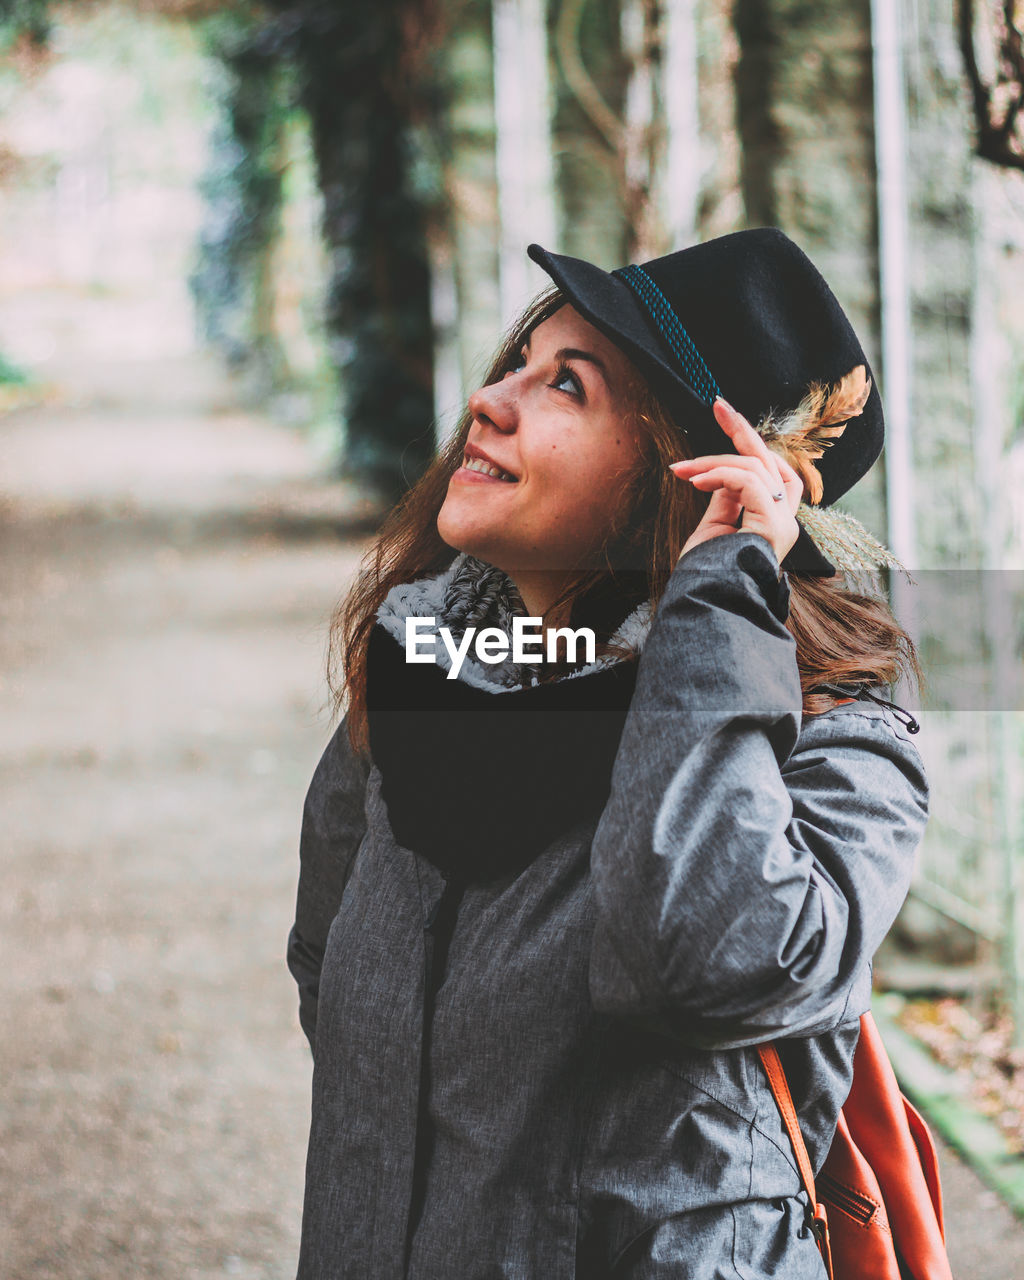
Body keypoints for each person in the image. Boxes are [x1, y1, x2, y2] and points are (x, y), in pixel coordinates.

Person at [287, 227, 930, 1280]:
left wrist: (719, 599)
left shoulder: (838, 729)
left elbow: (707, 958)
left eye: (567, 388)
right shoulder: (426, 673)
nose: (489, 403)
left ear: (693, 475)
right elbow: (333, 981)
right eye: (515, 367)